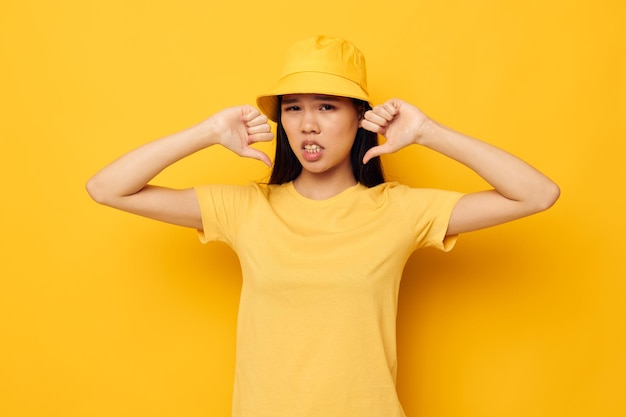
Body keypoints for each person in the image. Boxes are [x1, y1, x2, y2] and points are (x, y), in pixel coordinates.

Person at [86, 36, 559, 417]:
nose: (308, 123)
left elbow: (537, 194)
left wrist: (429, 132)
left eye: (328, 107)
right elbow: (107, 188)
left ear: (361, 118)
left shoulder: (398, 211)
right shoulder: (247, 209)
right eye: (293, 107)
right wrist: (207, 132)